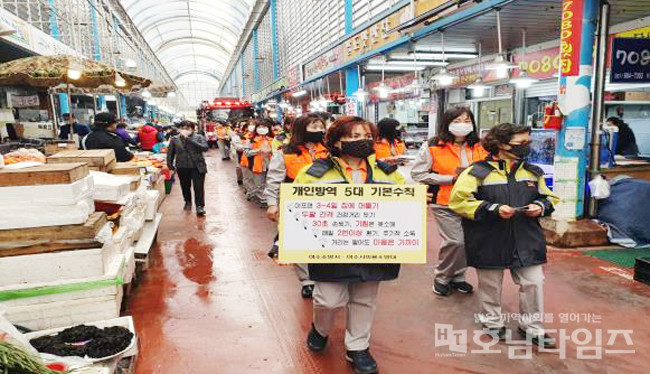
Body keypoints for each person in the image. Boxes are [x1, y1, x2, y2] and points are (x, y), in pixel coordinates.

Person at [294, 116, 405, 374]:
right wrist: (283, 243)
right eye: (354, 136)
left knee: (365, 299)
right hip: (329, 249)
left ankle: (358, 347)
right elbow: (295, 211)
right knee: (328, 300)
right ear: (336, 141)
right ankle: (320, 329)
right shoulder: (313, 173)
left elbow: (405, 204)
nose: (362, 141)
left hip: (374, 246)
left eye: (366, 135)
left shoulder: (386, 172)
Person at [448, 122, 559, 346]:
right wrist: (493, 209)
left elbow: (550, 198)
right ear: (499, 144)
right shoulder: (476, 172)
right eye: (520, 143)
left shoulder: (532, 171)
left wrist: (540, 206)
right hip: (488, 237)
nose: (526, 147)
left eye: (528, 142)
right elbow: (458, 202)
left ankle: (532, 327)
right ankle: (492, 322)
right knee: (491, 284)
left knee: (534, 282)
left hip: (526, 236)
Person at [411, 107, 487, 296]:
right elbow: (418, 173)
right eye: (458, 121)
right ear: (447, 123)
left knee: (467, 241)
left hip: (473, 201)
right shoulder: (433, 146)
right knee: (455, 241)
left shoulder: (480, 145)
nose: (463, 125)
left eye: (467, 120)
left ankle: (458, 277)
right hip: (445, 201)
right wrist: (450, 179)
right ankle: (442, 277)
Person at [264, 113, 329, 298]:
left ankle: (324, 274)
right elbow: (274, 180)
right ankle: (307, 280)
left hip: (325, 203)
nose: (319, 131)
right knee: (299, 241)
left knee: (322, 238)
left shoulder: (330, 150)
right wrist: (271, 204)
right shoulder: (285, 152)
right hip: (295, 202)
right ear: (301, 129)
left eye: (320, 127)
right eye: (313, 127)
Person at [167, 121, 209, 216]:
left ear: (193, 129)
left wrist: (190, 140)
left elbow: (205, 148)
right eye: (183, 128)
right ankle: (188, 202)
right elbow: (170, 153)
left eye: (188, 128)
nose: (185, 130)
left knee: (198, 187)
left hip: (197, 166)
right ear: (180, 129)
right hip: (182, 166)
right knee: (185, 186)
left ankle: (199, 206)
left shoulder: (199, 137)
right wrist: (170, 165)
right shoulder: (174, 139)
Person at [241, 120, 273, 208]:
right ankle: (263, 200)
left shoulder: (273, 140)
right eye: (259, 127)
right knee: (259, 183)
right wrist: (258, 151)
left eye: (264, 127)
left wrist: (271, 150)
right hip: (257, 165)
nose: (262, 129)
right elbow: (246, 152)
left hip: (271, 165)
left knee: (269, 183)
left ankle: (267, 199)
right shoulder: (251, 140)